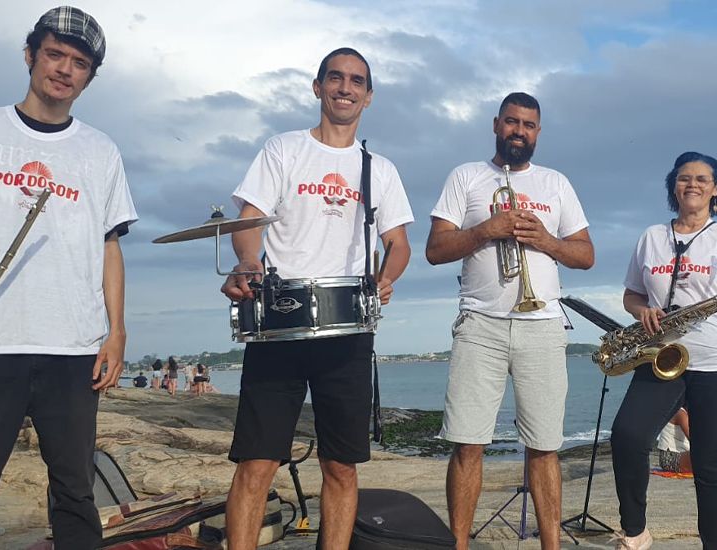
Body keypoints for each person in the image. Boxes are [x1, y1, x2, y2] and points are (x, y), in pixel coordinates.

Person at [0, 7, 137, 549]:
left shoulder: (101, 150)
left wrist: (116, 332)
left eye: (80, 63)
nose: (65, 69)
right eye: (55, 54)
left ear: (90, 76)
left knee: (75, 496)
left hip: (73, 348)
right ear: (30, 55)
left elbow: (109, 246)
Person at [219, 47, 413, 550]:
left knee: (342, 466)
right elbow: (247, 221)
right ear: (317, 86)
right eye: (335, 78)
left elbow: (398, 243)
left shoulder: (379, 169)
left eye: (356, 81)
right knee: (257, 462)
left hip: (348, 331)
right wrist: (247, 261)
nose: (345, 88)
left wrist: (384, 277)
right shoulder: (282, 149)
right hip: (279, 322)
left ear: (368, 97)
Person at [425, 92, 594, 550]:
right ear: (496, 124)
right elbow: (435, 249)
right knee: (467, 442)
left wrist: (547, 241)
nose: (520, 131)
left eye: (529, 125)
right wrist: (485, 230)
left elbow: (585, 255)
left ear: (538, 132)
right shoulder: (466, 177)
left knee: (544, 445)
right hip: (480, 325)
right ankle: (458, 544)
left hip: (541, 323)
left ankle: (551, 546)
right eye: (513, 123)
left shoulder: (556, 183)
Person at [609, 152, 717, 550]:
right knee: (627, 436)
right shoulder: (652, 237)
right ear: (673, 186)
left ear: (716, 188)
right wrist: (642, 309)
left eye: (702, 178)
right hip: (660, 355)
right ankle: (635, 530)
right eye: (684, 178)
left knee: (711, 462)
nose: (692, 184)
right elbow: (632, 294)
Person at [657, 407, 692, 474]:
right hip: (670, 457)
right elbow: (695, 440)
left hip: (681, 454)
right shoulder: (680, 413)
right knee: (704, 455)